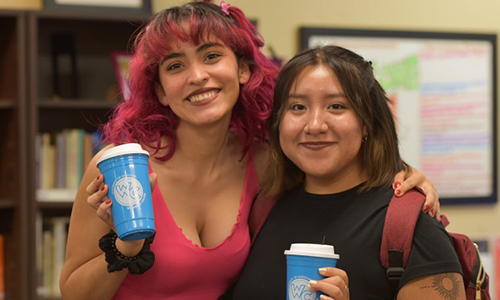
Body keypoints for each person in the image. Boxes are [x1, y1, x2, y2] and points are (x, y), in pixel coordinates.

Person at [59, 2, 441, 300]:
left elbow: (337, 152)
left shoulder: (263, 159)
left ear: (243, 70)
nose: (197, 76)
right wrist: (126, 249)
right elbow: (73, 292)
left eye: (211, 56)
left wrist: (406, 175)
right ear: (159, 90)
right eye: (175, 66)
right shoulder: (122, 168)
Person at [229, 45, 465, 300]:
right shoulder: (262, 210)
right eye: (297, 107)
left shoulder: (411, 226)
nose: (315, 125)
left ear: (367, 123)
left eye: (336, 106)